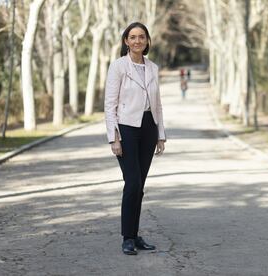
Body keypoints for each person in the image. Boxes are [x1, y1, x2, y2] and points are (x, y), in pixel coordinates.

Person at [104, 22, 166, 256]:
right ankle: (127, 238)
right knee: (132, 183)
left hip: (149, 127)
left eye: (142, 37)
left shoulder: (153, 68)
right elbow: (110, 104)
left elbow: (157, 103)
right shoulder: (118, 67)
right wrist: (114, 138)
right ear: (126, 41)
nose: (137, 41)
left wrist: (161, 135)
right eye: (133, 37)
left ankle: (135, 234)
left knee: (139, 186)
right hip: (127, 128)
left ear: (147, 41)